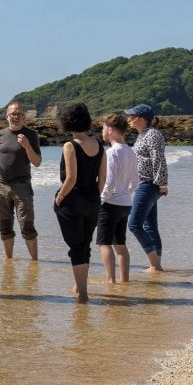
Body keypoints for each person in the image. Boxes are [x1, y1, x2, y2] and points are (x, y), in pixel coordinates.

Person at [53, 102, 107, 303]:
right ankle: (79, 285)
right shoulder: (99, 145)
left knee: (75, 247)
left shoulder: (70, 145)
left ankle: (83, 293)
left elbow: (71, 178)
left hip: (73, 200)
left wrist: (59, 198)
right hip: (93, 200)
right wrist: (94, 197)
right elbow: (102, 179)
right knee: (84, 246)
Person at [0, 102, 42, 260]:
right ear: (7, 116)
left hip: (22, 186)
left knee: (27, 226)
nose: (16, 117)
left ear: (24, 117)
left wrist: (27, 146)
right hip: (1, 185)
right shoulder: (0, 135)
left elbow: (37, 162)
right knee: (4, 226)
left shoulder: (31, 135)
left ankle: (35, 262)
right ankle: (9, 260)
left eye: (19, 113)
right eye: (13, 114)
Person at [125, 103, 168, 272]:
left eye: (131, 116)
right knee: (150, 226)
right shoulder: (143, 134)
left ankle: (155, 265)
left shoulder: (152, 134)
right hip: (143, 183)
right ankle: (155, 263)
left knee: (134, 224)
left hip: (150, 184)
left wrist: (162, 184)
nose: (128, 119)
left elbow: (159, 159)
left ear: (140, 119)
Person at [97, 114, 139, 283]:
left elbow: (110, 181)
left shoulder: (112, 152)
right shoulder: (131, 151)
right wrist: (125, 193)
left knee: (104, 243)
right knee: (120, 244)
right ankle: (124, 279)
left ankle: (110, 280)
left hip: (111, 203)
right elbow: (135, 180)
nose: (102, 132)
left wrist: (101, 199)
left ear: (110, 130)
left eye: (103, 129)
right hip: (125, 204)